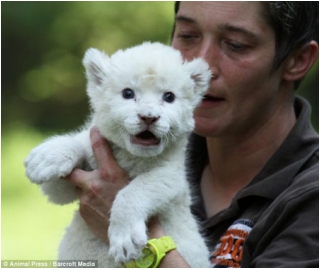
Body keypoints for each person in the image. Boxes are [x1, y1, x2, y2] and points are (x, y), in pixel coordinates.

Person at [64, 1, 319, 268]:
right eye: (187, 35)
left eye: (235, 44)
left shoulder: (312, 201)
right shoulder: (150, 146)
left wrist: (146, 241)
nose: (203, 63)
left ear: (297, 60)